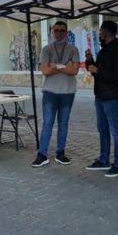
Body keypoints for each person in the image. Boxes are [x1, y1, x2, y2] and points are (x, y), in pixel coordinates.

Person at [84, 20, 118, 178]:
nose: (98, 34)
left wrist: (98, 70)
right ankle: (103, 159)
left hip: (113, 97)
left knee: (115, 131)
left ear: (105, 32)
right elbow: (97, 70)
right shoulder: (104, 50)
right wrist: (90, 61)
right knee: (102, 129)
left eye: (100, 31)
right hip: (101, 95)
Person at [32, 21, 80, 167]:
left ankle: (60, 153)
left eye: (62, 30)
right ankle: (42, 154)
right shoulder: (46, 49)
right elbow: (45, 71)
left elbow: (74, 71)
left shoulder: (73, 49)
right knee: (47, 123)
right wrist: (66, 66)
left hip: (67, 92)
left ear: (66, 32)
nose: (59, 33)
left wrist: (55, 66)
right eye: (56, 30)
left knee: (63, 124)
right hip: (50, 92)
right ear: (53, 31)